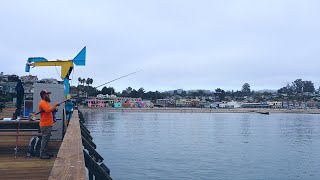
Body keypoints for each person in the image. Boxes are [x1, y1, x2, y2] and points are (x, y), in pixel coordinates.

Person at [38, 90, 61, 159]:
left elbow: (49, 109)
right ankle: (42, 154)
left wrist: (55, 106)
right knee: (45, 139)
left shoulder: (46, 102)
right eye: (47, 94)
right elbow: (48, 110)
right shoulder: (42, 103)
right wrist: (55, 105)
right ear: (43, 95)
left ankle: (45, 152)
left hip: (48, 124)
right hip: (45, 125)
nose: (48, 95)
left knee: (46, 139)